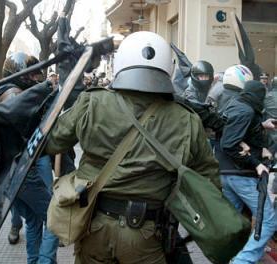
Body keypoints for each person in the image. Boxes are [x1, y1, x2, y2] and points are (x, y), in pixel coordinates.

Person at [44, 31, 220, 263]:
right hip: (147, 233)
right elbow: (209, 181)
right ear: (168, 67)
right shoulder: (186, 119)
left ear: (121, 63)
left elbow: (52, 141)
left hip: (93, 226)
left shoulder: (92, 102)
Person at [0, 52, 59, 263]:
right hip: (21, 170)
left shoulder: (6, 92)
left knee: (33, 221)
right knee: (55, 221)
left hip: (12, 171)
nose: (34, 80)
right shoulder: (13, 96)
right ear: (19, 74)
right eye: (30, 77)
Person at [216, 80, 277, 263]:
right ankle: (243, 260)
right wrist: (256, 163)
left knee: (233, 223)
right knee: (268, 220)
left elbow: (233, 132)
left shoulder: (235, 105)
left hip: (226, 173)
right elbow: (230, 143)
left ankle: (228, 257)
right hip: (241, 175)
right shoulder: (246, 111)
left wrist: (262, 125)